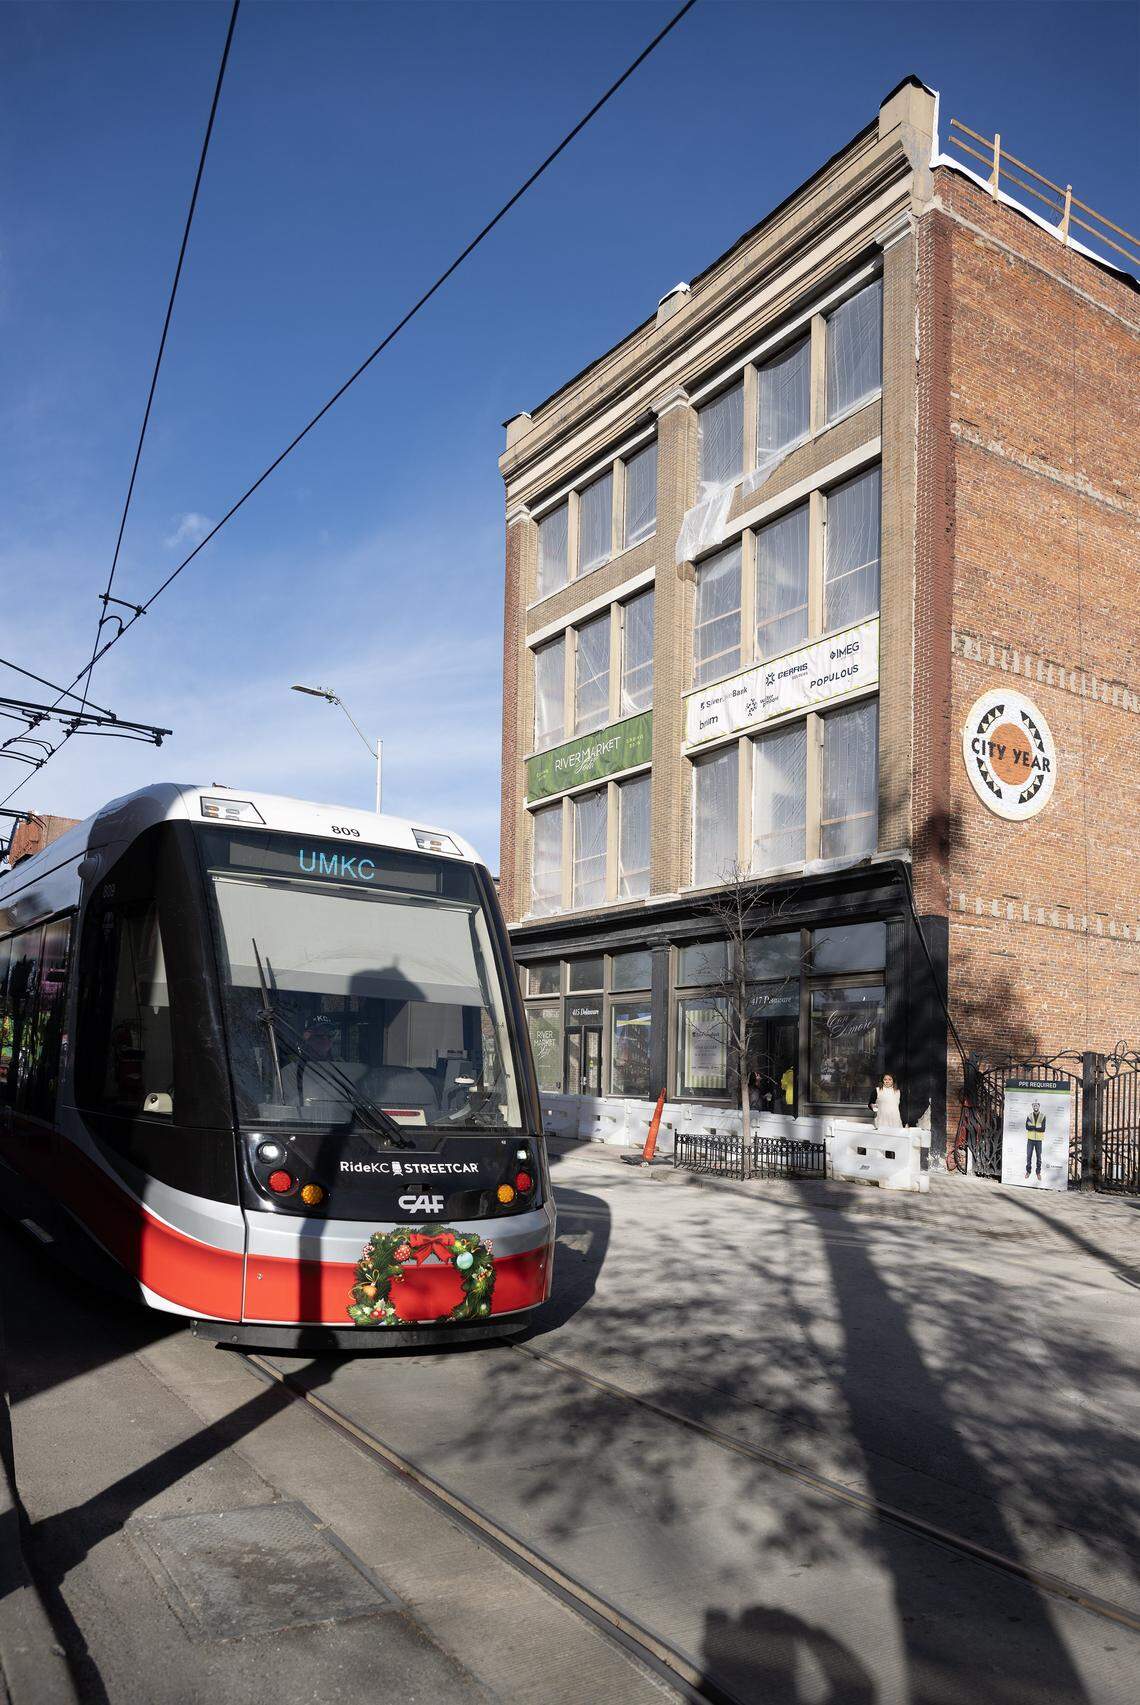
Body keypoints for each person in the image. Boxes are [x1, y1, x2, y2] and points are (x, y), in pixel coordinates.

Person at [1025, 1098, 1045, 1180]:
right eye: (1034, 1105)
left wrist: (1032, 1127)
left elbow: (1043, 1129)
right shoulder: (1029, 1116)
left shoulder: (1043, 1116)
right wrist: (1036, 1127)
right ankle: (1028, 1171)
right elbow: (1027, 1127)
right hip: (1030, 1139)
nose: (1035, 1106)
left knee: (1038, 1157)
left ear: (1039, 1106)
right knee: (1029, 1156)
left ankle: (1038, 1172)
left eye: (1037, 1105)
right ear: (1032, 1106)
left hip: (1039, 1140)